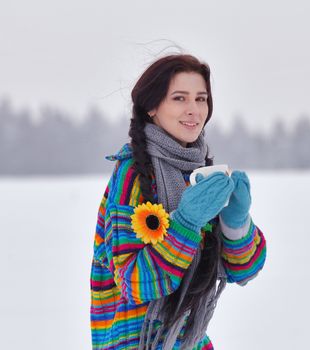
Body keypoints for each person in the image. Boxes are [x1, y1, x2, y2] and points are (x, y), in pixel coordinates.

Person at [90, 54, 267, 350]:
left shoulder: (197, 174)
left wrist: (236, 224)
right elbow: (133, 282)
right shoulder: (132, 174)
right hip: (136, 342)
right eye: (179, 98)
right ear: (152, 107)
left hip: (188, 341)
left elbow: (242, 271)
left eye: (201, 99)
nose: (193, 110)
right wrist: (186, 223)